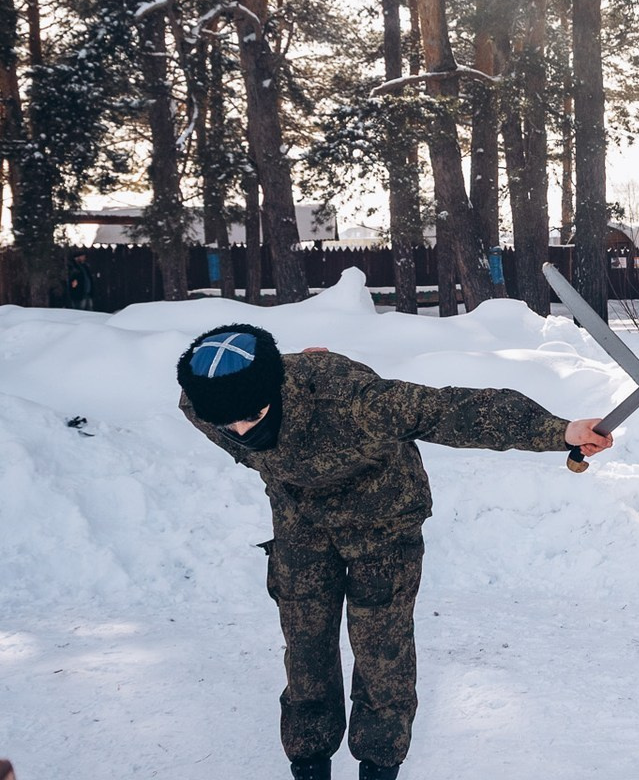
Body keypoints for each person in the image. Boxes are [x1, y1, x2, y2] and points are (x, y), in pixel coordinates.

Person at [177, 323, 612, 780]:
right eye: (230, 424)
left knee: (382, 656)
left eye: (253, 415)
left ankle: (379, 765)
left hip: (382, 525)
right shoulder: (201, 403)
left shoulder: (355, 401)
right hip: (301, 526)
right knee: (305, 654)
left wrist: (559, 430)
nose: (242, 430)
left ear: (276, 391)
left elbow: (454, 411)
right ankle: (308, 761)